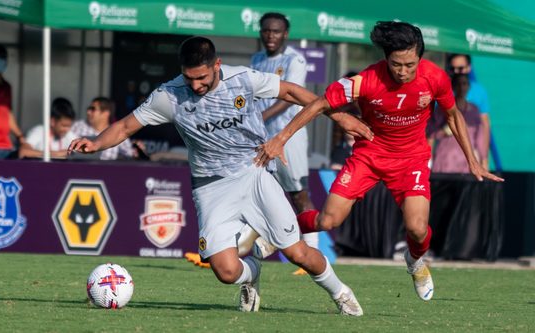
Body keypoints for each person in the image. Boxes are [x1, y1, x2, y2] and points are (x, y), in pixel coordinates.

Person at [69, 36, 372, 315]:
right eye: (190, 78)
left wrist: (341, 116)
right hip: (211, 187)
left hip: (254, 172)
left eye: (202, 77)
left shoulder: (243, 79)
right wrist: (95, 142)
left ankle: (341, 293)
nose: (196, 85)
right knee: (226, 272)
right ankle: (253, 267)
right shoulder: (169, 96)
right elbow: (124, 127)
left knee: (298, 254)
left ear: (217, 65)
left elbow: (292, 91)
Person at [255, 21, 504, 302]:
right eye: (397, 64)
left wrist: (472, 160)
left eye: (410, 64)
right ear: (386, 58)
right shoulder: (365, 80)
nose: (403, 71)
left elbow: (452, 115)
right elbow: (320, 103)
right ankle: (278, 230)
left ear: (419, 57)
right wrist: (281, 138)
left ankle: (415, 261)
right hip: (369, 155)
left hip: (411, 159)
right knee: (328, 220)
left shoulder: (435, 78)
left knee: (418, 229)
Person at [250, 12, 317, 275]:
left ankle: (313, 253)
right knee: (264, 190)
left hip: (290, 135)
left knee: (298, 193)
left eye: (276, 31)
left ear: (285, 34)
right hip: (263, 137)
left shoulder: (295, 60)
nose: (270, 36)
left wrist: (261, 116)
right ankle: (271, 239)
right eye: (266, 31)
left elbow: (290, 97)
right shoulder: (256, 59)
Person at [428, 74, 487, 173]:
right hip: (445, 162)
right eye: (458, 84)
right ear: (453, 87)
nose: (461, 87)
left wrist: (483, 160)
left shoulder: (474, 110)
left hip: (466, 165)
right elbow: (431, 133)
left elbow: (479, 138)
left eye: (464, 84)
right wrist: (445, 131)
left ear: (468, 86)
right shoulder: (442, 108)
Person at [447, 54, 490, 170]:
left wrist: (484, 158)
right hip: (447, 157)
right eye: (452, 69)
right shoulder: (444, 89)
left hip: (471, 157)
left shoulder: (479, 91)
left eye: (460, 68)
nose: (457, 72)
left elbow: (484, 125)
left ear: (468, 68)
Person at [70, 97, 136, 160]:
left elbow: (129, 155)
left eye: (92, 109)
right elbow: (65, 147)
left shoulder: (118, 131)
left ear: (106, 113)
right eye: (88, 109)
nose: (88, 112)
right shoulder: (77, 126)